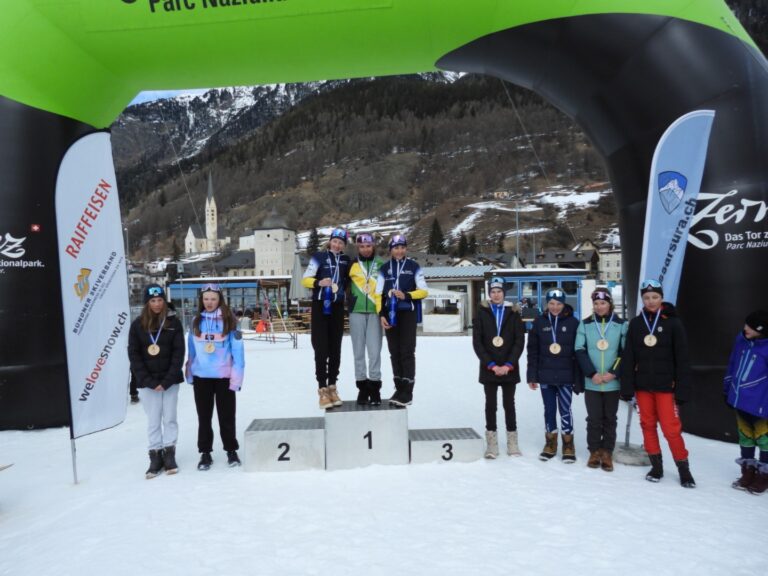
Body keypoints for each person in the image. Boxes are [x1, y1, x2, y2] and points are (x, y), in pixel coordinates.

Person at [620, 279, 695, 488]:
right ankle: (656, 466)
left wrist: (682, 388)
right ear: (642, 299)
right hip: (643, 386)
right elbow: (629, 357)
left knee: (671, 429)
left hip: (666, 387)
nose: (651, 301)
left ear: (661, 298)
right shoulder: (636, 323)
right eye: (647, 298)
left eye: (655, 297)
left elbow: (682, 358)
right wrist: (627, 386)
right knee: (647, 425)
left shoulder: (673, 322)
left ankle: (684, 469)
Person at [127, 284, 185, 479]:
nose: (157, 304)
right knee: (153, 420)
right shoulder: (137, 325)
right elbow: (134, 355)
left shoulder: (173, 323)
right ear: (147, 303)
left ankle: (169, 453)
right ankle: (155, 455)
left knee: (169, 418)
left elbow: (179, 353)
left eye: (160, 300)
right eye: (153, 301)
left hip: (170, 381)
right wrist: (149, 381)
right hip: (147, 383)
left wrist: (167, 380)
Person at [185, 283, 245, 470]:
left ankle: (231, 450)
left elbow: (239, 354)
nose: (209, 302)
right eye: (206, 299)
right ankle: (205, 453)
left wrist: (236, 380)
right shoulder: (196, 321)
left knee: (226, 416)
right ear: (201, 300)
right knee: (204, 417)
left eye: (213, 298)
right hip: (202, 376)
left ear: (220, 300)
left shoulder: (230, 321)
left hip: (223, 377)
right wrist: (190, 373)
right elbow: (192, 351)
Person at [575, 287, 628, 471]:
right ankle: (594, 451)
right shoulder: (586, 324)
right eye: (596, 303)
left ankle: (607, 452)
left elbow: (625, 352)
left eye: (603, 303)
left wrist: (613, 372)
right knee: (594, 418)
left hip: (612, 382)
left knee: (610, 418)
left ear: (610, 304)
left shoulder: (621, 324)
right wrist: (592, 374)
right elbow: (579, 350)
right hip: (593, 382)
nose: (599, 307)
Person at [472, 277, 525, 458]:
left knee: (509, 405)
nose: (496, 295)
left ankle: (512, 442)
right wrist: (492, 365)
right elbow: (477, 343)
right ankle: (492, 445)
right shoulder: (482, 312)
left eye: (499, 291)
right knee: (490, 405)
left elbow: (519, 341)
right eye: (493, 292)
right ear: (489, 294)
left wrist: (509, 364)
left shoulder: (514, 312)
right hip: (490, 368)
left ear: (504, 293)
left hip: (509, 368)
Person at [527, 287, 580, 462]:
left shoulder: (573, 323)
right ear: (546, 304)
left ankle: (568, 444)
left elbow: (578, 351)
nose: (555, 307)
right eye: (551, 303)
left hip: (566, 376)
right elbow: (532, 351)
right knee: (549, 410)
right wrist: (532, 375)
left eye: (558, 304)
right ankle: (550, 443)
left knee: (565, 410)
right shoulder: (539, 322)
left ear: (564, 304)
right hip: (545, 375)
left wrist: (577, 377)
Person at [302, 227, 352, 409]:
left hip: (338, 306)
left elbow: (350, 279)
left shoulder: (346, 260)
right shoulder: (319, 257)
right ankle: (322, 389)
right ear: (330, 241)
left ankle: (332, 386)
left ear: (344, 245)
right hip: (321, 304)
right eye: (335, 241)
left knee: (335, 348)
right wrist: (318, 282)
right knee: (321, 348)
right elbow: (305, 279)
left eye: (341, 243)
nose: (337, 245)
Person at [377, 233, 428, 407]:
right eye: (396, 248)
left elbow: (424, 291)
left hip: (407, 314)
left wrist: (406, 295)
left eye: (402, 247)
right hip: (390, 314)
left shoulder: (414, 266)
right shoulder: (384, 269)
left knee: (407, 352)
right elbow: (378, 294)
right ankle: (399, 388)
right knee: (394, 352)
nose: (399, 251)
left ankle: (408, 391)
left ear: (406, 249)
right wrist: (381, 314)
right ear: (391, 250)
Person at [724, 309, 768, 494]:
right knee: (745, 437)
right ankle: (748, 471)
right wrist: (727, 389)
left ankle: (764, 475)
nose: (745, 328)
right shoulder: (741, 340)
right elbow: (732, 363)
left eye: (750, 326)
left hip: (760, 405)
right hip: (739, 400)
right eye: (745, 324)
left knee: (764, 440)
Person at [348, 232, 385, 405]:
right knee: (358, 352)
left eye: (368, 246)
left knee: (375, 352)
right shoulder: (351, 265)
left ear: (373, 246)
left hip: (375, 313)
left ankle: (375, 388)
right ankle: (362, 388)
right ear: (357, 247)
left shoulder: (381, 264)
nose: (365, 249)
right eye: (361, 246)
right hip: (356, 311)